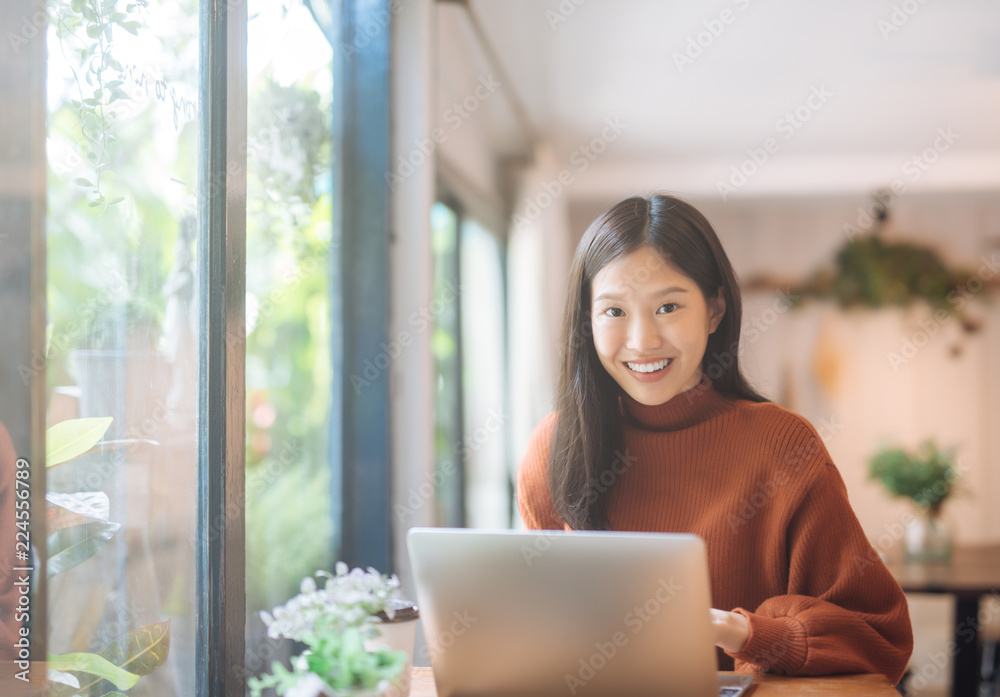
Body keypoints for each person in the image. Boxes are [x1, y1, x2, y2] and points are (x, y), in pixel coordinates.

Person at [516, 193, 913, 683]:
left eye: (667, 306)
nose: (641, 340)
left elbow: (880, 636)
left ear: (714, 310)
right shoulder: (554, 448)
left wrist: (749, 635)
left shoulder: (783, 446)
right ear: (587, 321)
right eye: (613, 312)